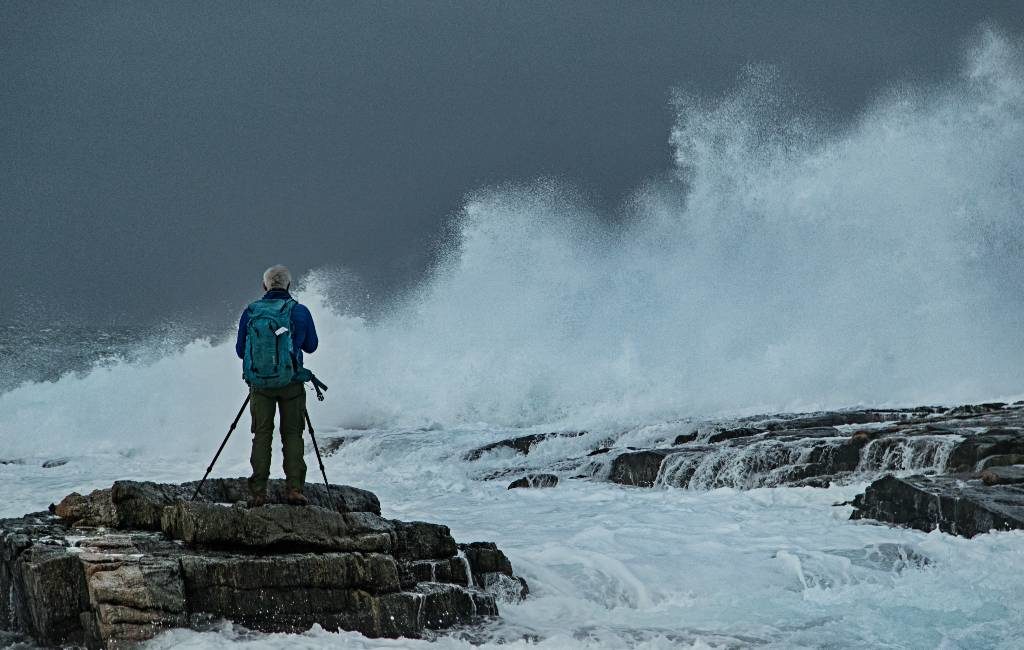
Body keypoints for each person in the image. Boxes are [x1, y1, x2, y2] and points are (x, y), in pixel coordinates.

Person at [235, 265, 319, 507]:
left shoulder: (251, 312)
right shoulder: (300, 311)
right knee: (292, 434)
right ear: (289, 285)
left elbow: (241, 351)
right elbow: (311, 346)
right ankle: (294, 490)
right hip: (291, 383)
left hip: (260, 384)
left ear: (265, 286)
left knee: (261, 435)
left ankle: (258, 493)